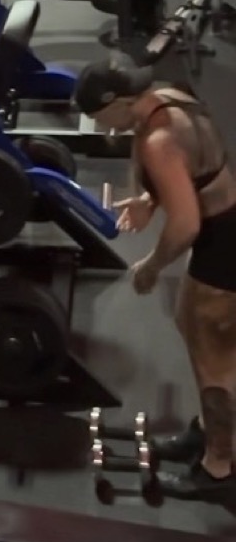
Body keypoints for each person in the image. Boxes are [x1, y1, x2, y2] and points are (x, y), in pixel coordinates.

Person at [75, 57, 236, 502]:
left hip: (222, 247)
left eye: (101, 118)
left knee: (214, 362)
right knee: (193, 326)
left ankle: (219, 469)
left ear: (118, 102)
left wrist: (150, 266)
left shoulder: (158, 141)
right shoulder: (170, 99)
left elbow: (185, 225)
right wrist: (151, 197)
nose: (104, 129)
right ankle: (206, 433)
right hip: (225, 231)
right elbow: (197, 171)